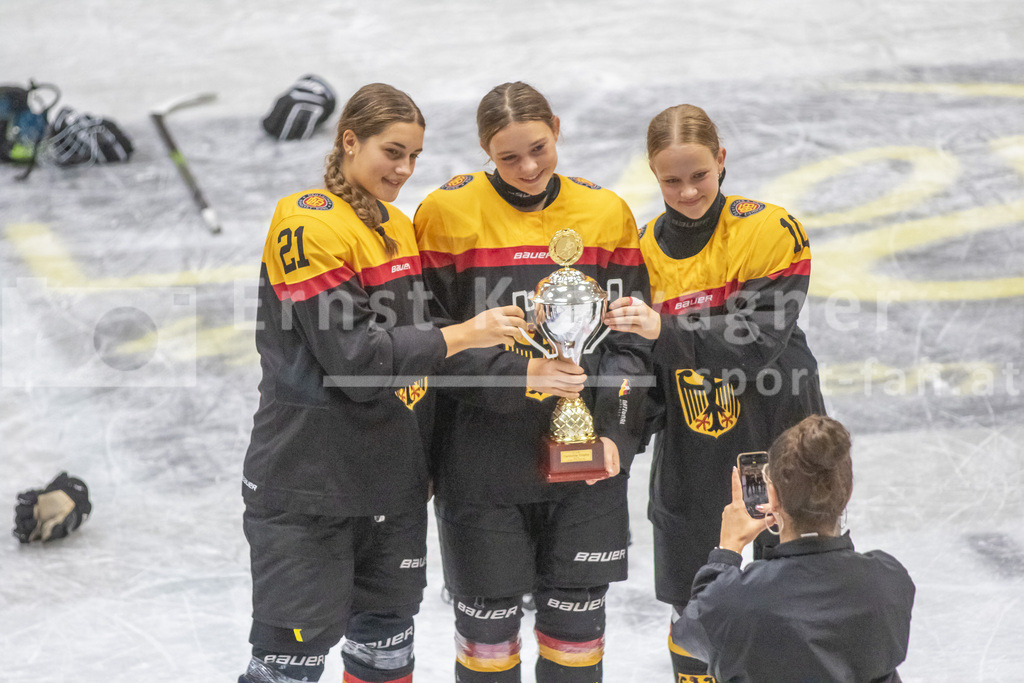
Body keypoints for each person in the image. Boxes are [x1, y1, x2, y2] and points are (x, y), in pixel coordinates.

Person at [238, 83, 527, 683]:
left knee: (384, 656)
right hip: (310, 485)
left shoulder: (397, 225)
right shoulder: (307, 223)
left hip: (388, 484)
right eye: (392, 151)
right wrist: (467, 333)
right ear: (349, 141)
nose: (404, 169)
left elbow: (419, 352)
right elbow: (358, 360)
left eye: (415, 157)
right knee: (288, 665)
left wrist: (530, 372)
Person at [413, 81, 653, 683]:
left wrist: (618, 443)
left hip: (586, 464)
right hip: (480, 465)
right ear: (484, 151)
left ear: (557, 127)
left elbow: (632, 343)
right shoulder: (445, 214)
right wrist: (523, 375)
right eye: (507, 156)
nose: (528, 167)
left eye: (539, 148)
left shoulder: (605, 213)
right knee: (487, 641)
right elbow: (430, 346)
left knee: (576, 639)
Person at [603, 103, 826, 679]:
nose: (687, 191)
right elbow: (643, 370)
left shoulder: (769, 228)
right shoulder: (641, 250)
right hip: (696, 444)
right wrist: (613, 435)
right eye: (670, 180)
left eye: (698, 175)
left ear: (721, 160)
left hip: (779, 431)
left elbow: (758, 340)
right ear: (653, 175)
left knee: (794, 594)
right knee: (694, 601)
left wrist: (665, 328)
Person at [674, 414, 915, 682]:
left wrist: (727, 549)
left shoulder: (735, 598)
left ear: (772, 497)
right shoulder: (890, 580)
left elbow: (689, 633)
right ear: (846, 494)